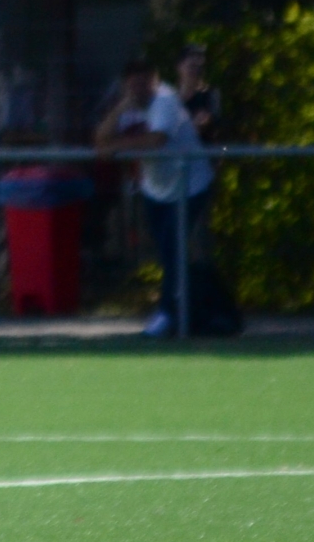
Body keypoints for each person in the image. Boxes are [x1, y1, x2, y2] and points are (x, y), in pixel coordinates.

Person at [95, 57, 227, 337]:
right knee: (170, 254)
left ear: (155, 81)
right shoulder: (128, 105)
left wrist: (116, 146)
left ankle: (170, 314)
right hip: (157, 190)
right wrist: (118, 111)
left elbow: (157, 140)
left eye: (145, 83)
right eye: (134, 85)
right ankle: (210, 314)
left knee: (174, 251)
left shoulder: (165, 100)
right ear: (126, 86)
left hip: (190, 187)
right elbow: (100, 140)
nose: (140, 90)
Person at [177, 43, 223, 144]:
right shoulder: (170, 99)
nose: (196, 71)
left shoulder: (209, 95)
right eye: (192, 66)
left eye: (200, 68)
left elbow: (202, 122)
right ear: (179, 67)